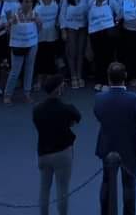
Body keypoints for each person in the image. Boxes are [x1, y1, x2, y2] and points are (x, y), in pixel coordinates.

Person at [94, 62, 136, 215]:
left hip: (108, 144)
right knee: (129, 185)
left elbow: (98, 115)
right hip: (130, 145)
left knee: (106, 181)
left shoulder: (99, 98)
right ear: (125, 76)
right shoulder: (134, 99)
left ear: (109, 78)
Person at [33, 74, 81, 215]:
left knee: (44, 189)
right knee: (62, 189)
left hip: (43, 153)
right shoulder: (67, 108)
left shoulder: (37, 110)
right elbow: (76, 119)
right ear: (59, 89)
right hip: (62, 154)